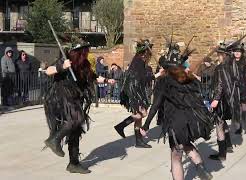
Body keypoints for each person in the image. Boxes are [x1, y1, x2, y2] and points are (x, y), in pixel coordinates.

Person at [140, 42, 214, 180]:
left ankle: (188, 173)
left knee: (176, 156)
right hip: (191, 121)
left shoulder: (164, 81)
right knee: (186, 144)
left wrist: (146, 125)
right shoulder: (188, 79)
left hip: (175, 122)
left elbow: (156, 105)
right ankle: (200, 167)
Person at [43, 39, 115, 174]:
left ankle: (73, 163)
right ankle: (54, 139)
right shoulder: (66, 60)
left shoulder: (84, 65)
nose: (88, 53)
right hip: (62, 97)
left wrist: (106, 80)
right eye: (85, 51)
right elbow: (48, 71)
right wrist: (61, 67)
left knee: (76, 130)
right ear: (80, 52)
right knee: (77, 118)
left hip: (75, 98)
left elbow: (93, 77)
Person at [115, 39, 163, 148]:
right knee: (143, 114)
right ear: (145, 51)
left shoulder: (137, 60)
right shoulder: (139, 61)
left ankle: (138, 141)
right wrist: (157, 75)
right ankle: (121, 126)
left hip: (136, 89)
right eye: (148, 50)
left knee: (140, 117)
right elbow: (142, 78)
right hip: (134, 91)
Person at [208, 43, 234, 161]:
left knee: (219, 125)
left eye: (219, 54)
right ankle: (228, 145)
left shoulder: (221, 67)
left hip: (221, 100)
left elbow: (220, 84)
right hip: (228, 100)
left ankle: (222, 154)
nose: (217, 56)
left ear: (222, 55)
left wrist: (216, 99)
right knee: (223, 122)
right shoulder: (231, 66)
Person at [227, 43, 246, 134]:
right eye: (235, 51)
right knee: (236, 108)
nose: (237, 53)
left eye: (239, 52)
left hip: (245, 87)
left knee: (244, 108)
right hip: (234, 88)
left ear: (241, 52)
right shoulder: (230, 62)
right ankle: (238, 127)